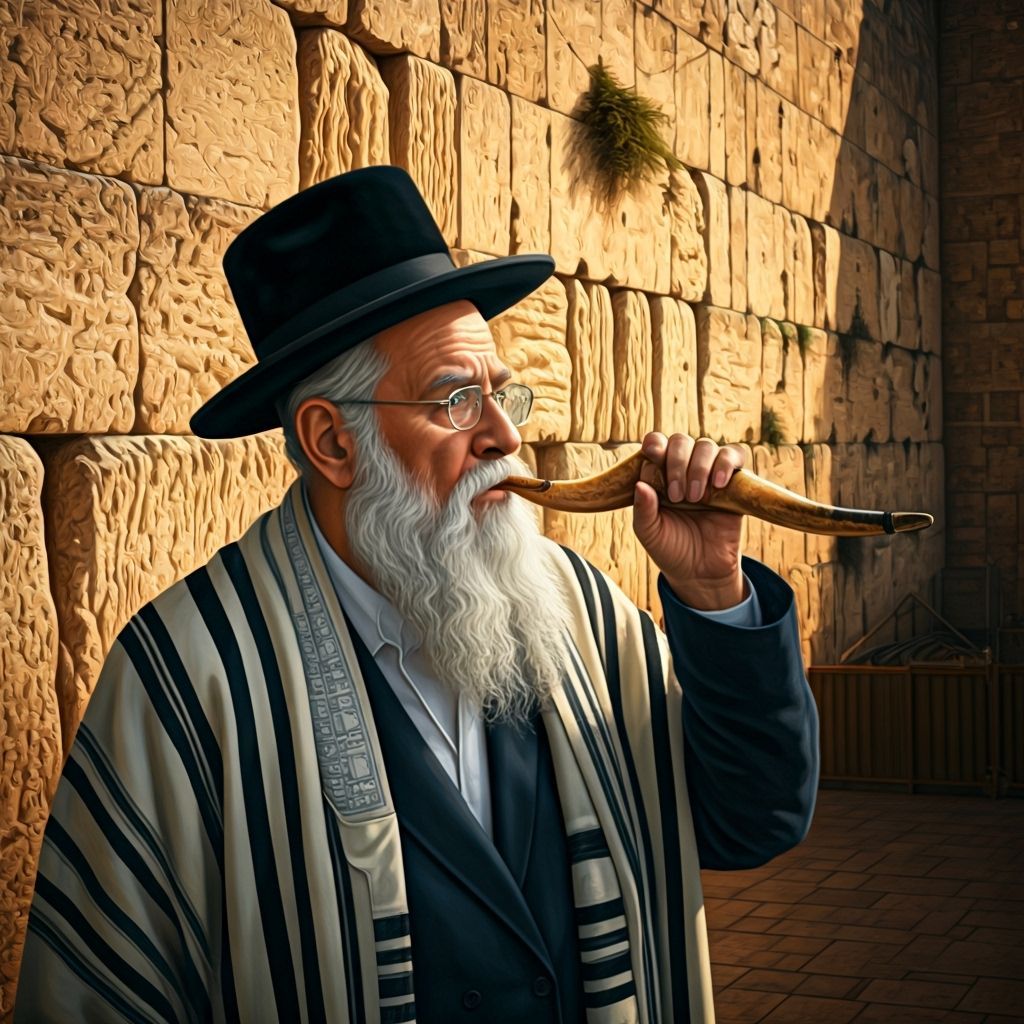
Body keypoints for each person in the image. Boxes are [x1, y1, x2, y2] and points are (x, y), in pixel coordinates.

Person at [17, 166, 819, 1023]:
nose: (506, 434)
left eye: (502, 392)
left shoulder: (580, 616)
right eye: (455, 400)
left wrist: (711, 593)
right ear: (332, 441)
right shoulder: (190, 676)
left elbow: (753, 822)